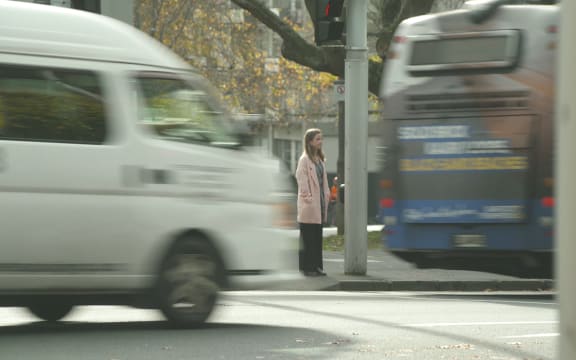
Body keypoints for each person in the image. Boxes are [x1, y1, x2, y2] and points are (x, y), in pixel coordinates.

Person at [295, 128, 330, 277]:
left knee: (317, 237)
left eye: (321, 139)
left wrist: (326, 196)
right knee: (307, 237)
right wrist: (308, 198)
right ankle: (306, 267)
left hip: (320, 203)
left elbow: (324, 182)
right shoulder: (304, 160)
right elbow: (301, 179)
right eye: (317, 139)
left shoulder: (320, 159)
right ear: (310, 142)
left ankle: (316, 266)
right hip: (309, 205)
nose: (320, 142)